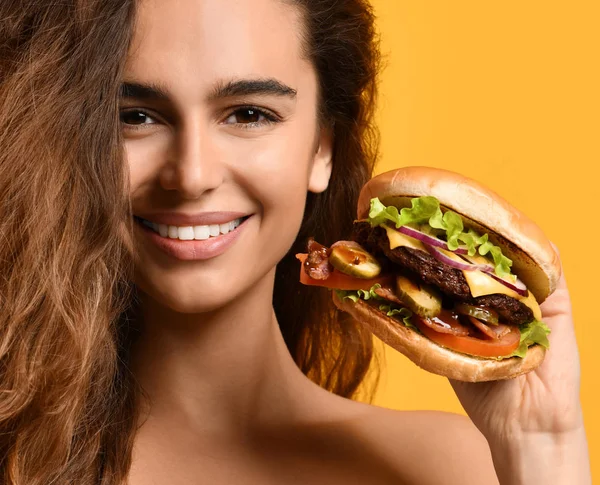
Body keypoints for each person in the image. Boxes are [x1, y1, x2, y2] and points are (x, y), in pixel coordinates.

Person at [0, 0, 591, 484]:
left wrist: (544, 445)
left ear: (323, 148)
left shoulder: (455, 467)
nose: (192, 173)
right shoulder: (17, 456)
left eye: (249, 114)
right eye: (136, 117)